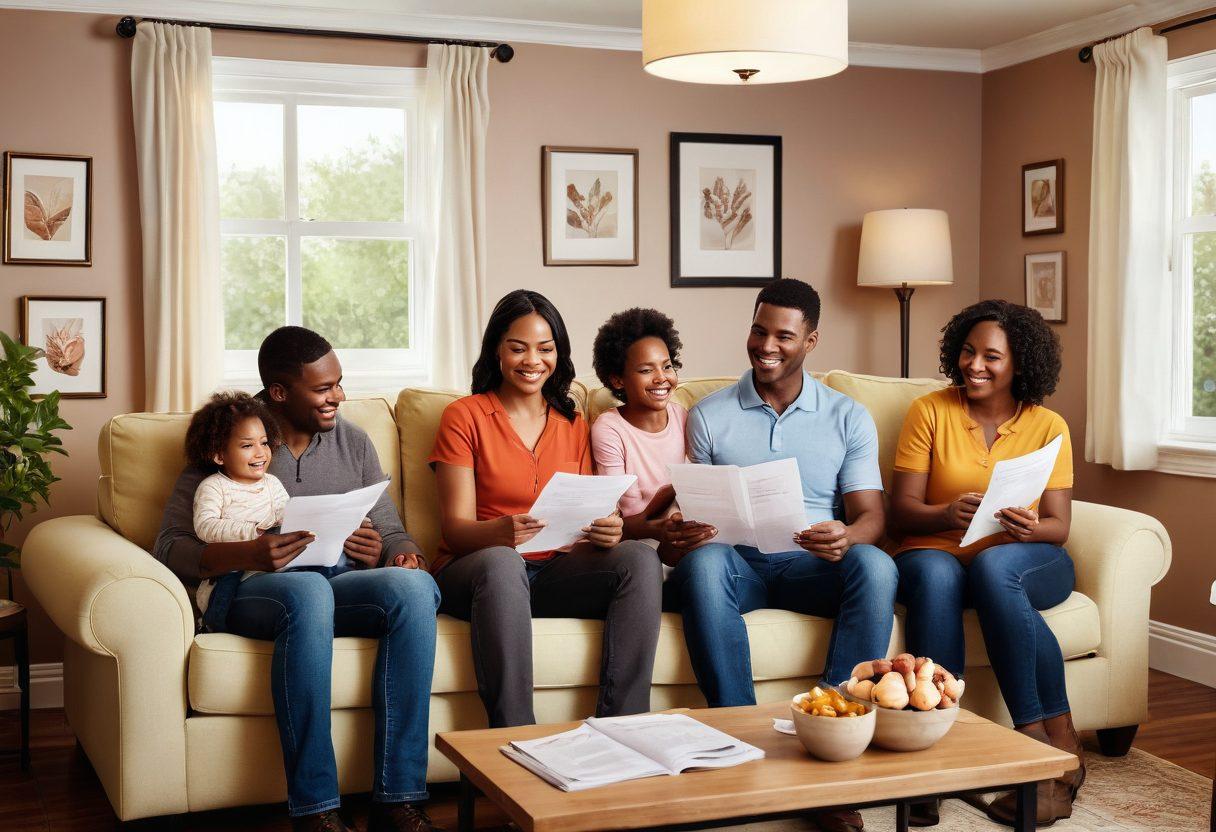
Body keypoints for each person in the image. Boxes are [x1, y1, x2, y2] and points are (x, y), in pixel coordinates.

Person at [154, 327, 440, 832]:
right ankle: (315, 811)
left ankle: (397, 800)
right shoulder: (236, 438)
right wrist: (247, 551)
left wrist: (394, 553)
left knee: (414, 590)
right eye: (324, 389)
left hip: (334, 582)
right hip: (248, 590)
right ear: (280, 392)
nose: (339, 397)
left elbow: (393, 530)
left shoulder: (352, 441)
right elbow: (172, 545)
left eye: (339, 384)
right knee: (308, 591)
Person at [664, 278, 897, 832]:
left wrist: (846, 535)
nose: (766, 345)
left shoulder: (847, 416)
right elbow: (693, 501)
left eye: (783, 336)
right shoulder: (709, 413)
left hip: (810, 563)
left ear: (811, 341)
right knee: (703, 563)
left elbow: (873, 518)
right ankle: (743, 741)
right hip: (736, 563)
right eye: (758, 329)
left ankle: (832, 735)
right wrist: (687, 528)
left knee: (878, 564)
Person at [430, 289, 663, 729]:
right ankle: (517, 736)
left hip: (553, 573)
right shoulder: (464, 417)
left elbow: (595, 510)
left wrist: (608, 529)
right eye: (518, 348)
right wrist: (502, 532)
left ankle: (624, 728)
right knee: (501, 563)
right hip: (478, 571)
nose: (532, 360)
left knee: (638, 557)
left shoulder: (575, 423)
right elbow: (455, 530)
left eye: (545, 348)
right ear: (496, 350)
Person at [888, 299, 1081, 827]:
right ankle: (939, 756)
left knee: (997, 572)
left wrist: (1029, 527)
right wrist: (945, 512)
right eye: (968, 352)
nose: (975, 365)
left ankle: (1035, 745)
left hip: (1024, 558)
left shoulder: (1049, 425)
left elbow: (1059, 526)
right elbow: (900, 511)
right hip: (939, 550)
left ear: (1020, 363)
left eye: (991, 357)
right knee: (933, 575)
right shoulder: (930, 410)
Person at [184, 391, 290, 631]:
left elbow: (286, 511)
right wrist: (255, 532)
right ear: (219, 455)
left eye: (264, 442)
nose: (261, 452)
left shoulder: (272, 484)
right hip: (233, 569)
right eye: (247, 445)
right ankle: (211, 624)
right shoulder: (213, 486)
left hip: (271, 568)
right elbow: (206, 526)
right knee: (227, 579)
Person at [589, 308, 689, 548]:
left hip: (682, 534)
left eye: (666, 366)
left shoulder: (684, 418)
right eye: (646, 370)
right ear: (617, 380)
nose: (661, 377)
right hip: (636, 543)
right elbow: (623, 515)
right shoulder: (610, 428)